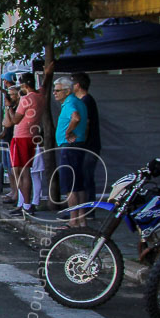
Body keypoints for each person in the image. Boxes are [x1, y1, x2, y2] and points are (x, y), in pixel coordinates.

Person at [54, 76, 89, 227]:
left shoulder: (70, 103)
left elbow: (76, 118)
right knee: (78, 184)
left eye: (57, 91)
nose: (55, 93)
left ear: (67, 91)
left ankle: (73, 219)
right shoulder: (79, 102)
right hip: (78, 145)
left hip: (69, 148)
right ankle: (81, 218)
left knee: (70, 185)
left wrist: (68, 132)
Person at [8, 73, 41, 215]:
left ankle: (26, 204)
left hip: (21, 135)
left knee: (20, 172)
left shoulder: (26, 99)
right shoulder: (40, 97)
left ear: (24, 85)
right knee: (26, 170)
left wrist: (10, 108)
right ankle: (26, 203)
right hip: (32, 135)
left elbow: (15, 120)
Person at [73, 72, 102, 201]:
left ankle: (87, 209)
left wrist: (79, 140)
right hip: (88, 145)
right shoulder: (84, 101)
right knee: (83, 177)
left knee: (86, 177)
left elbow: (86, 124)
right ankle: (84, 208)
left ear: (77, 85)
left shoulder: (85, 101)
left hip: (88, 146)